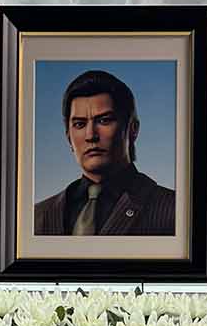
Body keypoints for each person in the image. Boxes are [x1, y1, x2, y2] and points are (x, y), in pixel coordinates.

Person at [33, 68, 176, 236]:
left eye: (104, 120)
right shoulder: (37, 215)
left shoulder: (174, 209)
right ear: (68, 137)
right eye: (79, 124)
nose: (90, 135)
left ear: (133, 129)